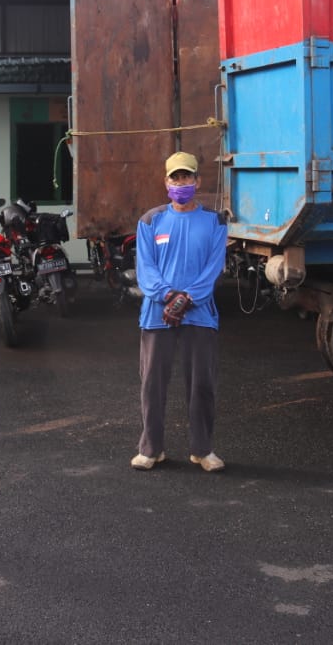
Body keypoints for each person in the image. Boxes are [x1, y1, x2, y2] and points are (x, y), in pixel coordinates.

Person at [130, 151, 227, 473]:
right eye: (175, 177)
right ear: (166, 182)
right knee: (152, 384)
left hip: (200, 314)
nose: (181, 183)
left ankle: (202, 450)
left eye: (187, 177)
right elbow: (146, 269)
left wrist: (188, 299)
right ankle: (151, 449)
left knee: (202, 385)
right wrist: (169, 296)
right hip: (157, 315)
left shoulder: (215, 221)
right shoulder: (150, 220)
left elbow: (214, 267)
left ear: (197, 181)